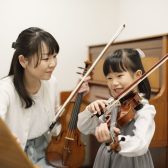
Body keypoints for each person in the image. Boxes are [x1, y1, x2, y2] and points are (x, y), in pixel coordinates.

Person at [0, 27, 89, 168]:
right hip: (18, 153)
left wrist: (74, 99)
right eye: (46, 58)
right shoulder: (5, 89)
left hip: (47, 149)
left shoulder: (51, 82)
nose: (53, 63)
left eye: (54, 56)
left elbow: (54, 120)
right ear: (23, 61)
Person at [77, 48, 156, 168]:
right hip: (105, 158)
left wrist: (114, 142)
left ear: (138, 76)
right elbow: (84, 128)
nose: (114, 83)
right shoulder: (111, 104)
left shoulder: (144, 109)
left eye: (119, 76)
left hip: (131, 162)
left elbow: (141, 144)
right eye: (109, 78)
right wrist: (90, 110)